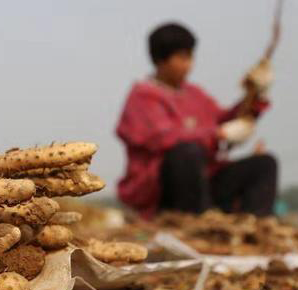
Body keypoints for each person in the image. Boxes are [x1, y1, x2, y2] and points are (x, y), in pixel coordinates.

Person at [115, 22, 277, 219]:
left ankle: (253, 228)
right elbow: (163, 137)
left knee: (264, 164)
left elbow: (225, 119)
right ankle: (195, 223)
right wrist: (218, 135)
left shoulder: (194, 94)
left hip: (206, 183)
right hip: (162, 191)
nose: (189, 64)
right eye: (182, 58)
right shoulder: (142, 96)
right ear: (161, 60)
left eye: (190, 57)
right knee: (186, 152)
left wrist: (255, 96)